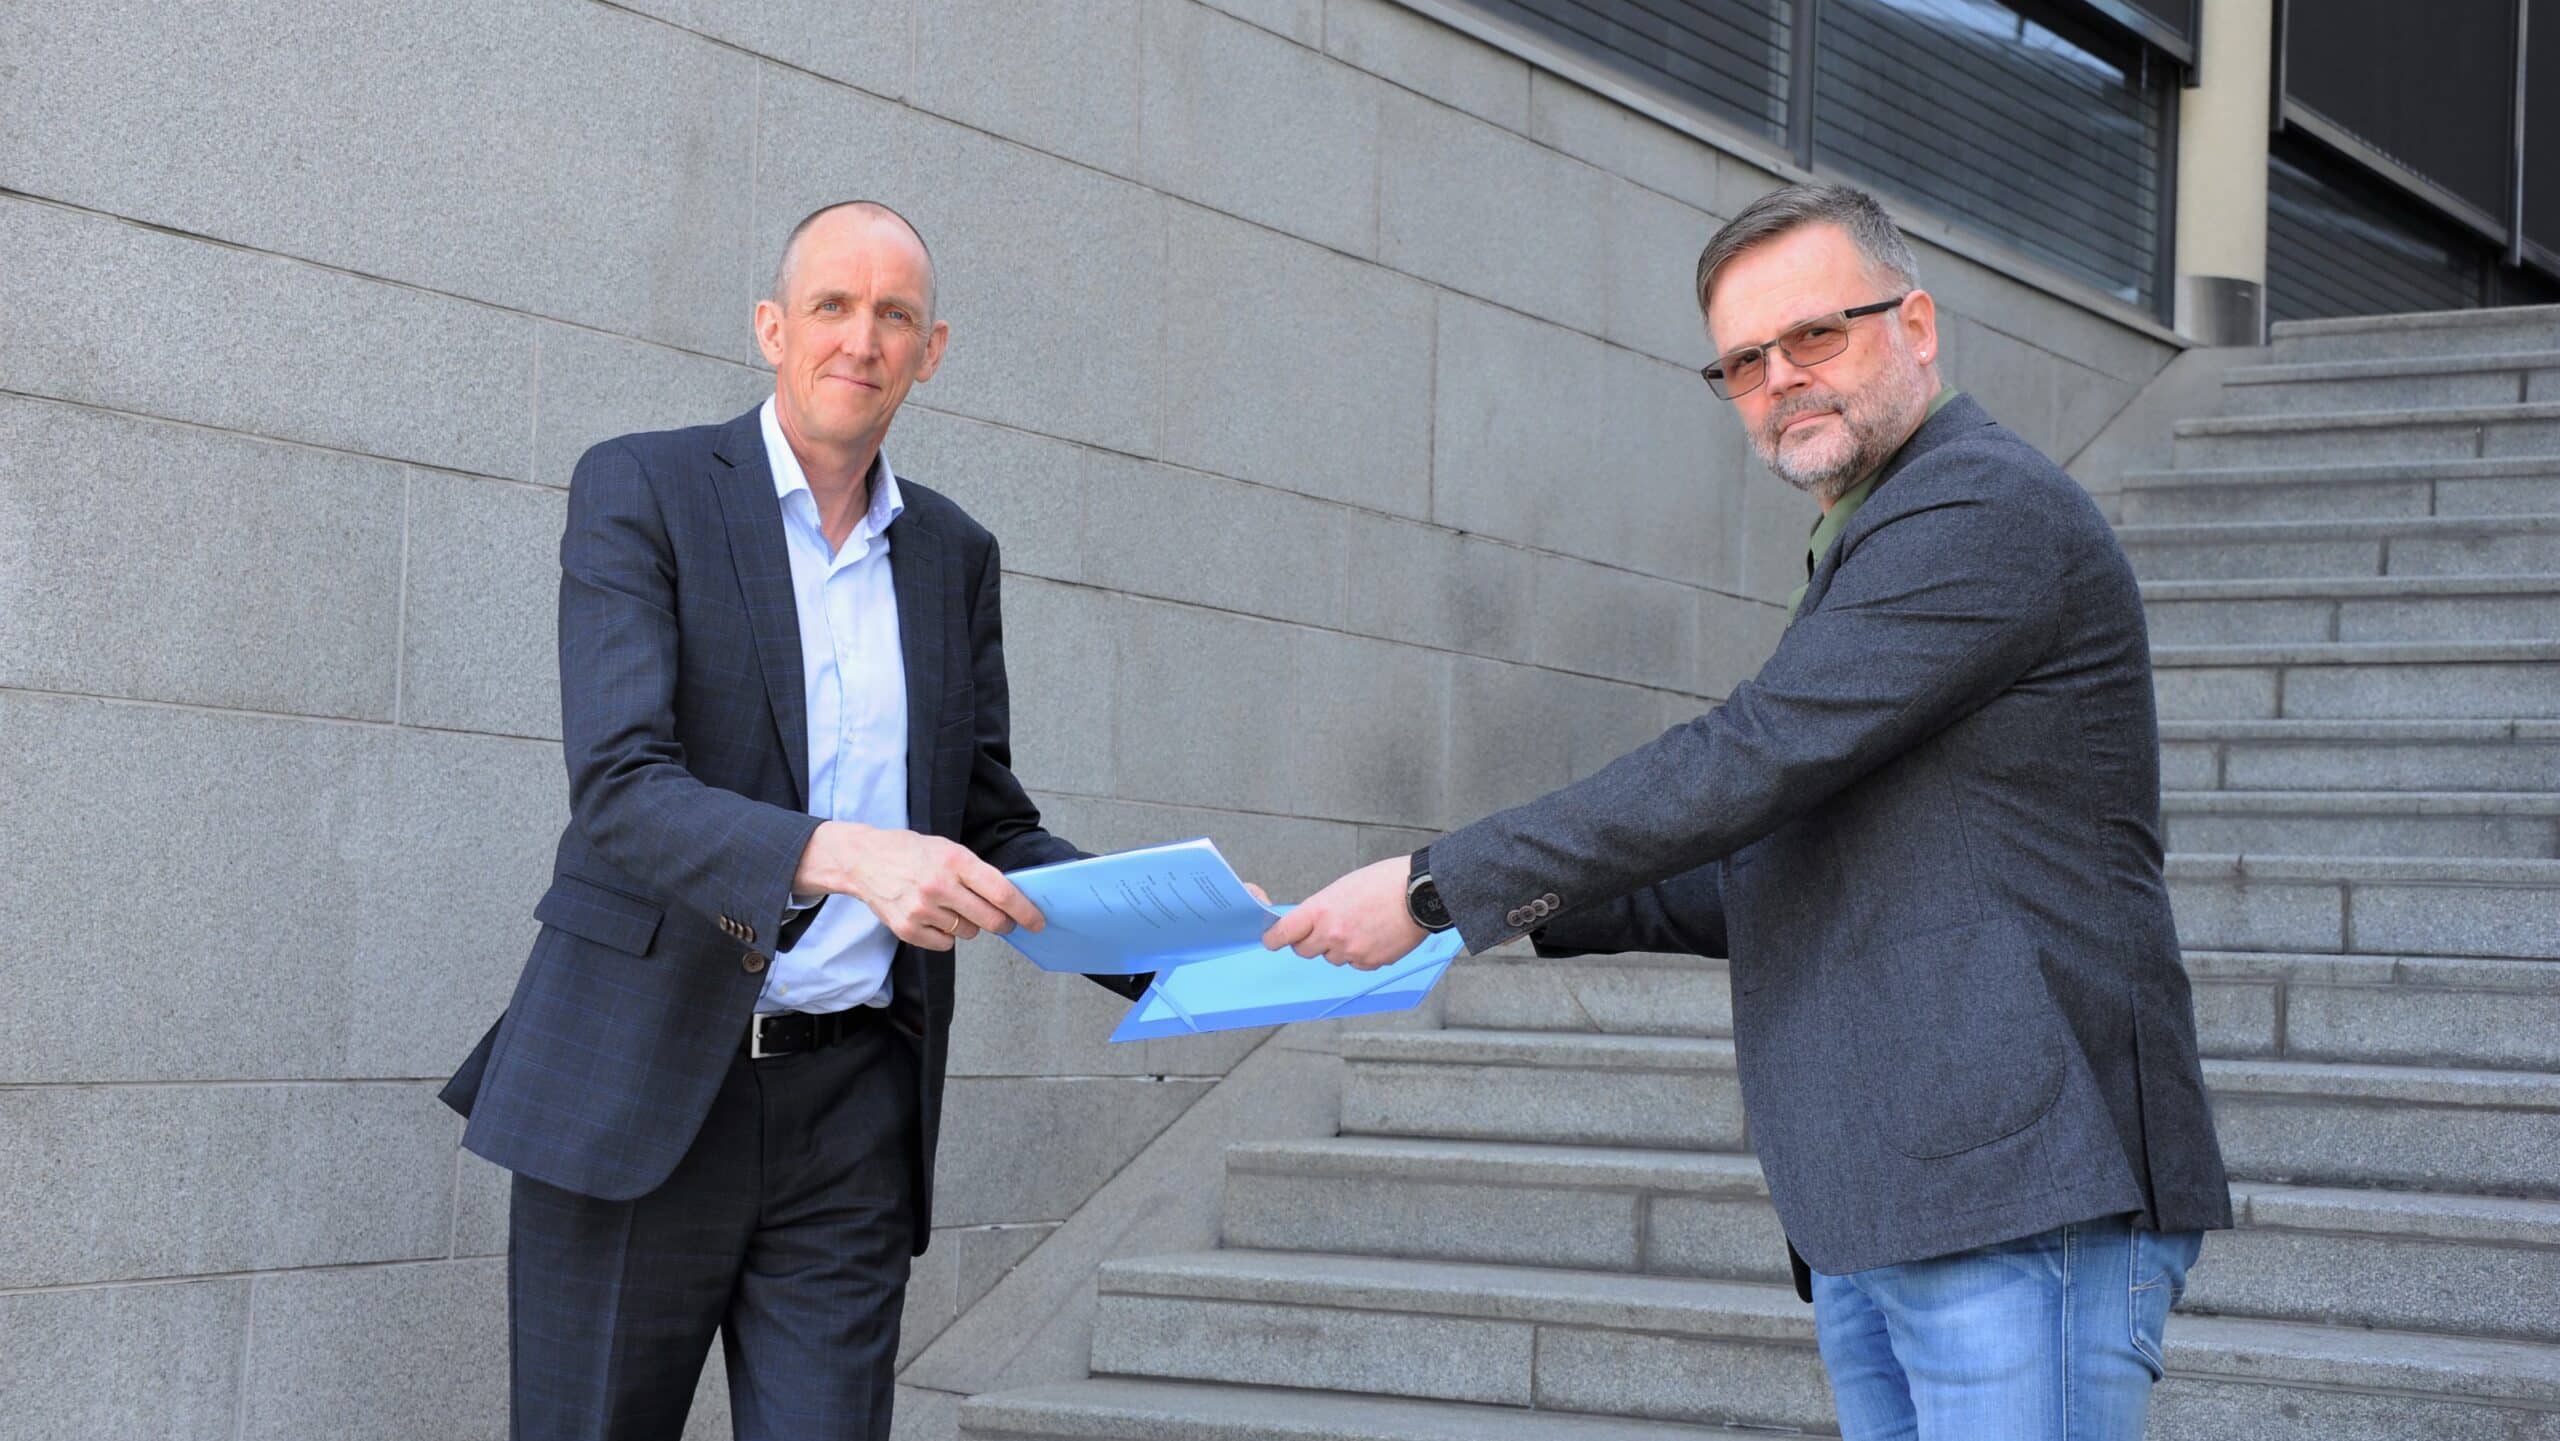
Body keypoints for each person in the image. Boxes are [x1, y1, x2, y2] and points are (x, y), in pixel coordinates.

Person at [1267, 182, 2231, 1440]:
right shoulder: (1878, 531)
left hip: (2021, 1195)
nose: (1781, 378)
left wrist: (1437, 884)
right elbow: (1783, 859)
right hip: (1896, 1199)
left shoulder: (1981, 509)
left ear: (1917, 324)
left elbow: (1749, 757)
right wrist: (1473, 920)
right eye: (1743, 361)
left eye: (1815, 334)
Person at [440, 200, 1150, 1441]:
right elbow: (621, 787)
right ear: (772, 328)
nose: (860, 339)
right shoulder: (644, 487)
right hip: (640, 1085)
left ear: (931, 351)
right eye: (832, 305)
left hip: (852, 1116)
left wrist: (1189, 939)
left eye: (894, 315)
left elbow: (984, 826)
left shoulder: (952, 553)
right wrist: (849, 858)